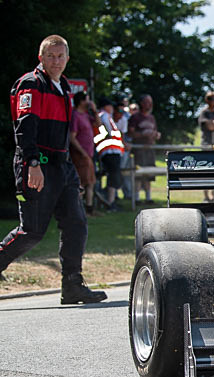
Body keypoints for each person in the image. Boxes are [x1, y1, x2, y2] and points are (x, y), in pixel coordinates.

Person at [0, 35, 106, 303]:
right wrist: (33, 164)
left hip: (63, 167)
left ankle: (72, 285)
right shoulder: (31, 84)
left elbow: (63, 135)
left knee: (76, 224)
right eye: (50, 56)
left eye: (60, 56)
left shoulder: (64, 87)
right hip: (37, 164)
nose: (56, 61)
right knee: (32, 231)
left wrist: (72, 174)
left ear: (67, 59)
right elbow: (25, 128)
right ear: (41, 58)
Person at [69, 92, 100, 216]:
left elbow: (99, 125)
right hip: (81, 155)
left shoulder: (86, 115)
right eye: (87, 99)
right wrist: (82, 152)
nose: (89, 102)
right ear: (82, 101)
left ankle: (89, 209)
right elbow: (72, 137)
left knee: (90, 182)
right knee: (80, 183)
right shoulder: (75, 115)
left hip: (89, 154)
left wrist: (95, 111)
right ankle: (77, 211)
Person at [127, 93, 161, 203]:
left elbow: (155, 131)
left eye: (150, 102)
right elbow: (131, 134)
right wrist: (143, 134)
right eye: (147, 102)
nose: (150, 104)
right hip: (138, 150)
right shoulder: (135, 117)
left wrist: (156, 135)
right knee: (138, 174)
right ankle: (136, 198)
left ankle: (148, 197)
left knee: (149, 174)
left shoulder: (152, 118)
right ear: (141, 103)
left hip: (149, 149)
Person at [95, 97, 125, 212]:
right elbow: (106, 130)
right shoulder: (104, 115)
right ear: (106, 106)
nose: (112, 108)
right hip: (109, 150)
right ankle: (110, 202)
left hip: (111, 150)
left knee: (113, 176)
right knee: (113, 175)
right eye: (110, 106)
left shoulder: (104, 115)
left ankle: (109, 200)